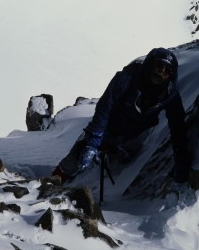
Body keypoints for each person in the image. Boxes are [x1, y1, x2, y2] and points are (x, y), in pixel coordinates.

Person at [52, 47, 191, 191]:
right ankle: (55, 180)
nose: (161, 72)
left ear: (170, 76)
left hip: (135, 135)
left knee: (123, 162)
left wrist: (181, 163)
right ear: (151, 65)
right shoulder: (127, 78)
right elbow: (104, 108)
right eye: (159, 66)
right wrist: (92, 143)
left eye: (167, 70)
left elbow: (178, 128)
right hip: (109, 125)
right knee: (80, 153)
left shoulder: (169, 95)